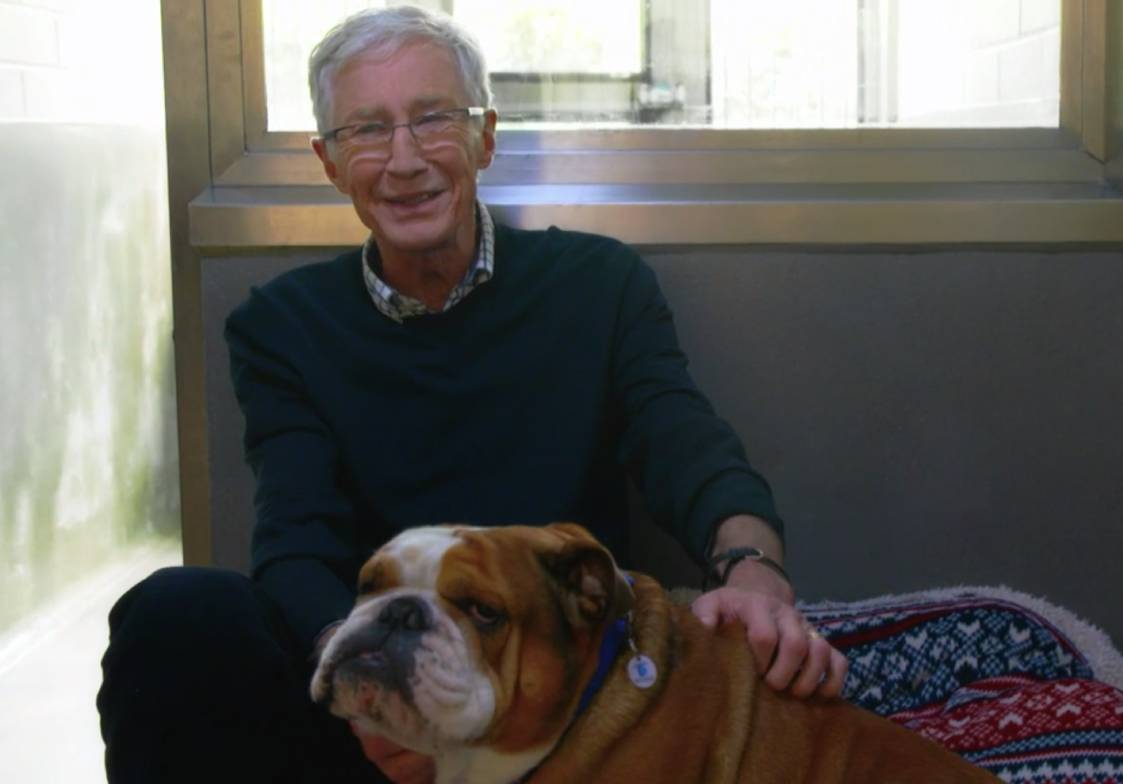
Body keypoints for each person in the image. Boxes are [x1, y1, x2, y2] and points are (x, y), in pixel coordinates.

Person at [97, 7, 845, 783]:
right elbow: (295, 543)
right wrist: (375, 699)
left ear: (485, 137)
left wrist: (754, 570)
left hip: (546, 705)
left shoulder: (600, 286)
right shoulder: (281, 326)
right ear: (327, 161)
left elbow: (684, 443)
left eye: (432, 120)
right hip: (376, 724)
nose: (405, 159)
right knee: (174, 612)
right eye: (367, 130)